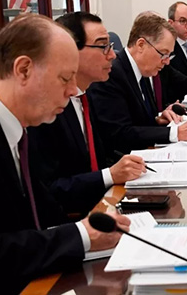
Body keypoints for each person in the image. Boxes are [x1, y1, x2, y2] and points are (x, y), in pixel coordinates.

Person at [0, 14, 129, 293]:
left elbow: (45, 216)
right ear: (23, 70)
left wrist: (90, 230)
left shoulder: (19, 130)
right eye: (65, 78)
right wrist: (81, 235)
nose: (72, 91)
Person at [28, 12, 146, 216]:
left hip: (101, 208)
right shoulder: (45, 108)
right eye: (103, 46)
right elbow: (49, 190)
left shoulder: (86, 94)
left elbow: (100, 156)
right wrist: (109, 175)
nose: (113, 55)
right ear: (70, 51)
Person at [89, 12, 187, 155]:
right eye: (163, 54)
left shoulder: (144, 69)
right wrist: (175, 133)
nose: (166, 62)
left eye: (169, 55)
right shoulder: (112, 74)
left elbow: (139, 122)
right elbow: (120, 133)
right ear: (141, 45)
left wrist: (158, 119)